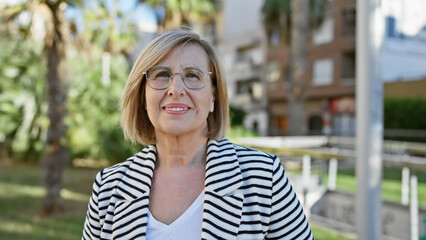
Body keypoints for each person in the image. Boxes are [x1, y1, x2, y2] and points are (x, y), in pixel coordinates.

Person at [82, 30, 314, 240]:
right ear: (143, 97)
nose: (176, 89)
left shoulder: (264, 177)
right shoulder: (109, 187)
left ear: (213, 97)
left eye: (193, 75)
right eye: (161, 74)